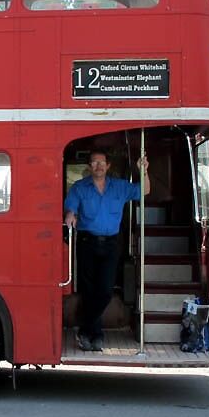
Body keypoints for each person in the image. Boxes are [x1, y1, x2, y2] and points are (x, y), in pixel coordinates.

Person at [64, 150, 150, 351]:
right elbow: (71, 209)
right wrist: (70, 216)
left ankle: (85, 330)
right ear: (89, 166)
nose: (98, 166)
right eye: (94, 163)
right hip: (86, 242)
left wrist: (144, 171)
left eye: (101, 162)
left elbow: (144, 191)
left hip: (111, 244)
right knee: (88, 291)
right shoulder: (79, 188)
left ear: (108, 166)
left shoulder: (119, 187)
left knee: (105, 291)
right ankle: (96, 335)